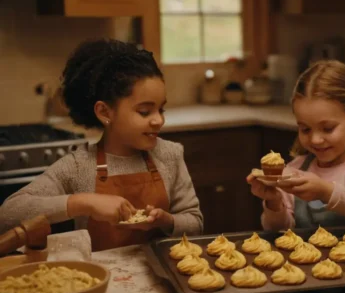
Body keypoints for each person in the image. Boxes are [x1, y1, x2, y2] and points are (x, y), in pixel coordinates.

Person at [0, 38, 203, 251]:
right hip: (100, 280)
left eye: (161, 110)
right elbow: (7, 214)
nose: (158, 120)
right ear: (105, 112)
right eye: (144, 111)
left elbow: (195, 224)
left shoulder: (170, 155)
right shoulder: (79, 166)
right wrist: (83, 203)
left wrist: (167, 221)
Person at [248, 60, 345, 230]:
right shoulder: (295, 169)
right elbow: (281, 231)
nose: (316, 139)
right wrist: (273, 203)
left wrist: (326, 192)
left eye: (328, 128)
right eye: (305, 129)